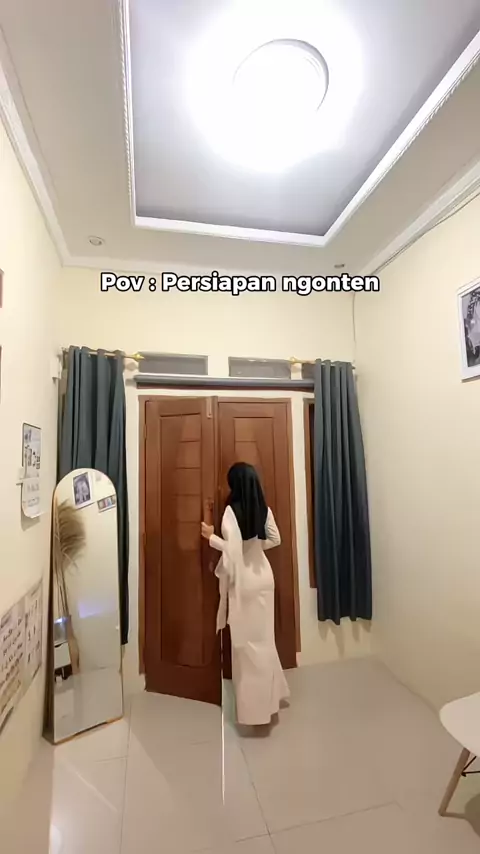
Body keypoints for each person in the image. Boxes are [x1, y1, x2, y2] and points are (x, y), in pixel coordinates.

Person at [201, 462, 290, 726]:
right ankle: (270, 702)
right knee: (264, 640)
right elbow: (276, 539)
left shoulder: (231, 512)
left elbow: (232, 552)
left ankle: (254, 712)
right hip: (264, 578)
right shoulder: (264, 509)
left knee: (245, 647)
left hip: (245, 583)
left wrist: (211, 537)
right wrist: (255, 547)